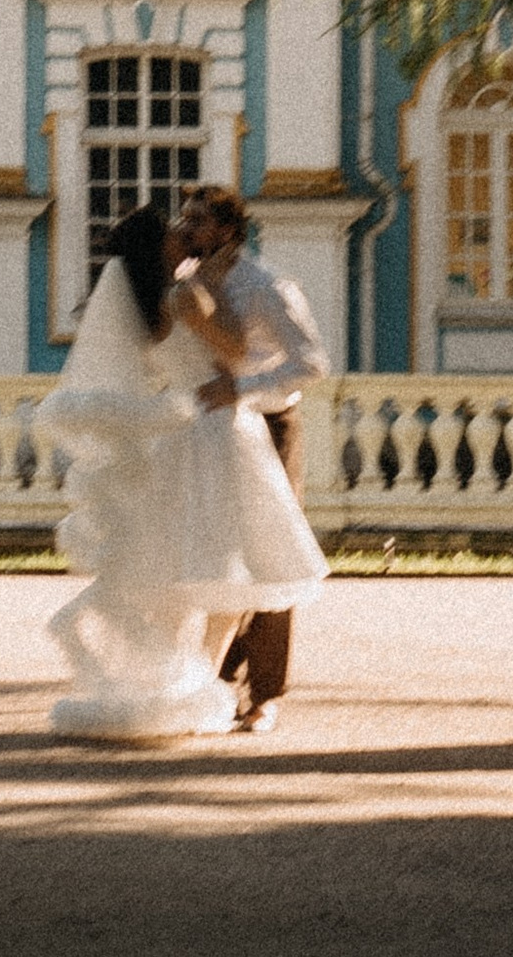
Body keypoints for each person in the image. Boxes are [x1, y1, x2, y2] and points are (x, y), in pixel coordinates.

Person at [34, 202, 326, 742]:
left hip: (180, 438)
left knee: (183, 571)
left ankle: (184, 684)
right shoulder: (188, 294)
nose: (184, 236)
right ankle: (204, 693)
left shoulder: (145, 305)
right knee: (231, 572)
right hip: (222, 434)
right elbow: (236, 354)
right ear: (160, 247)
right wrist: (212, 285)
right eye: (175, 231)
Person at [169, 183, 329, 733]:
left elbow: (312, 362)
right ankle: (215, 682)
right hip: (214, 431)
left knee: (269, 555)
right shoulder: (189, 282)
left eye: (198, 219)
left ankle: (264, 696)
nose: (186, 227)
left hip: (271, 424)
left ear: (228, 230)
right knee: (219, 555)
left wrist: (245, 390)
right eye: (184, 217)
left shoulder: (268, 287)